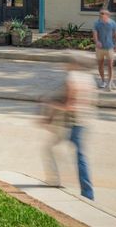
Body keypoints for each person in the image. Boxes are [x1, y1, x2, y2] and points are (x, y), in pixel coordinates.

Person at [43, 51, 97, 200]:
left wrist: (52, 106)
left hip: (72, 123)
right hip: (85, 121)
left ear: (72, 64)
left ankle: (61, 181)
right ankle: (86, 191)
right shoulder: (89, 79)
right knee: (79, 155)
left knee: (54, 149)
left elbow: (69, 105)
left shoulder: (71, 78)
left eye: (66, 63)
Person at [92, 9, 116, 91]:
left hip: (110, 47)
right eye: (100, 13)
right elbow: (95, 34)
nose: (101, 15)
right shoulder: (97, 23)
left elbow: (115, 34)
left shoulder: (112, 23)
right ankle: (103, 81)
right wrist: (97, 41)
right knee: (100, 65)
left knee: (110, 66)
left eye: (103, 14)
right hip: (100, 48)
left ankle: (110, 82)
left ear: (108, 15)